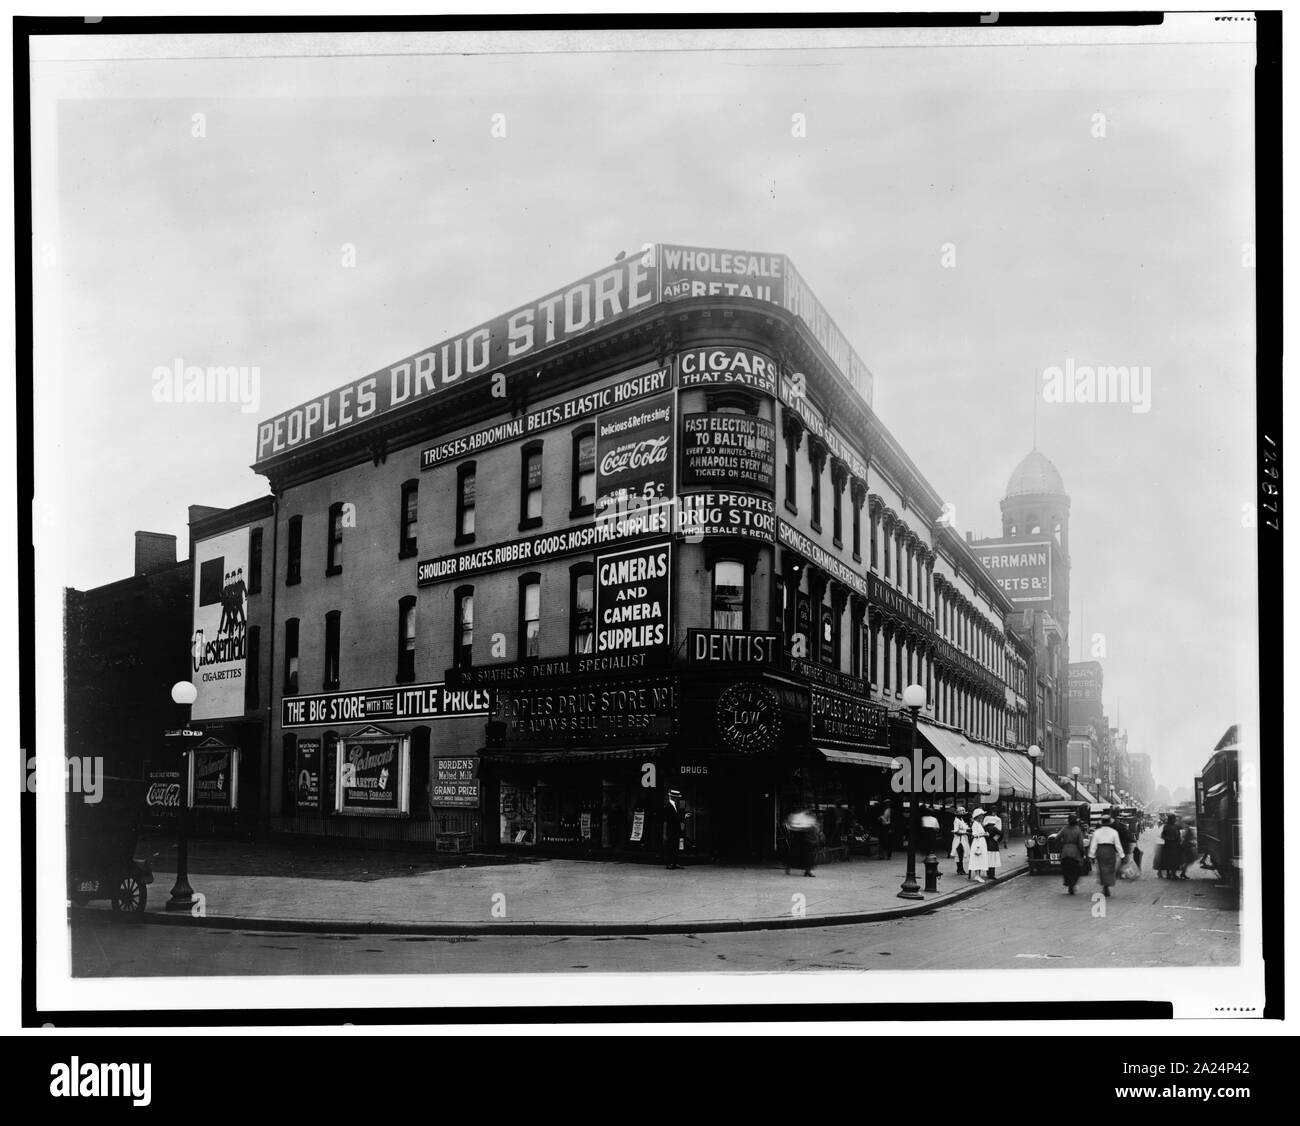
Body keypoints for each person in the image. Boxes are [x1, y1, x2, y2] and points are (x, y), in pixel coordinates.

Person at [1089, 813, 1123, 896]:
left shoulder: (1097, 832)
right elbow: (1118, 844)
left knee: (1102, 869)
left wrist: (1091, 855)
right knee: (1110, 869)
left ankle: (1104, 885)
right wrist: (1122, 855)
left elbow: (1093, 844)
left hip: (1100, 851)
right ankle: (1107, 885)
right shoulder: (1114, 832)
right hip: (1110, 851)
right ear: (1109, 823)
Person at [1057, 812, 1086, 894]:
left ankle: (1068, 883)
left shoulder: (1064, 828)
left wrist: (1061, 846)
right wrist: (1082, 852)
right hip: (1075, 852)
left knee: (1065, 868)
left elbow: (1057, 838)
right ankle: (1072, 884)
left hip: (1065, 851)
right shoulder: (1078, 830)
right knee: (1076, 869)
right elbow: (1080, 843)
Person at [663, 790, 684, 870]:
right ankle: (670, 863)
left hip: (675, 829)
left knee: (675, 846)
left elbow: (676, 818)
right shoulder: (668, 806)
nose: (678, 799)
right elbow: (666, 820)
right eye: (677, 797)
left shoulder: (675, 805)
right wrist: (665, 833)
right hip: (671, 830)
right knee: (670, 847)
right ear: (674, 797)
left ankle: (674, 862)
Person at [1157, 813, 1181, 878]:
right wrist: (1169, 839)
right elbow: (1163, 835)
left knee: (1174, 860)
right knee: (1168, 860)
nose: (1175, 820)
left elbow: (1178, 835)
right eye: (1174, 818)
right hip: (1168, 845)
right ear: (1170, 819)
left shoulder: (1176, 826)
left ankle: (1173, 874)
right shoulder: (1166, 827)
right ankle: (1168, 874)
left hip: (1175, 845)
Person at [968, 809, 989, 882]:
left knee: (981, 858)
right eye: (981, 815)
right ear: (978, 816)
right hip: (977, 843)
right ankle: (977, 875)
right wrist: (984, 834)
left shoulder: (979, 824)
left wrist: (984, 833)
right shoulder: (975, 824)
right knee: (978, 857)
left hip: (981, 842)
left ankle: (978, 875)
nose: (983, 816)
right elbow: (974, 834)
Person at [949, 806, 970, 875]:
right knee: (959, 854)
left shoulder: (961, 820)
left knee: (962, 854)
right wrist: (964, 833)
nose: (963, 813)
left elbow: (964, 828)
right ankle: (959, 870)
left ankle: (961, 869)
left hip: (963, 839)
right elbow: (956, 831)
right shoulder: (956, 820)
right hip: (959, 839)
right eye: (962, 812)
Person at [984, 809, 1004, 880]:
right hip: (993, 845)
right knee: (992, 860)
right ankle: (992, 875)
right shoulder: (994, 828)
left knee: (988, 860)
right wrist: (998, 840)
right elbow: (1001, 833)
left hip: (986, 845)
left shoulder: (985, 828)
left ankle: (988, 873)